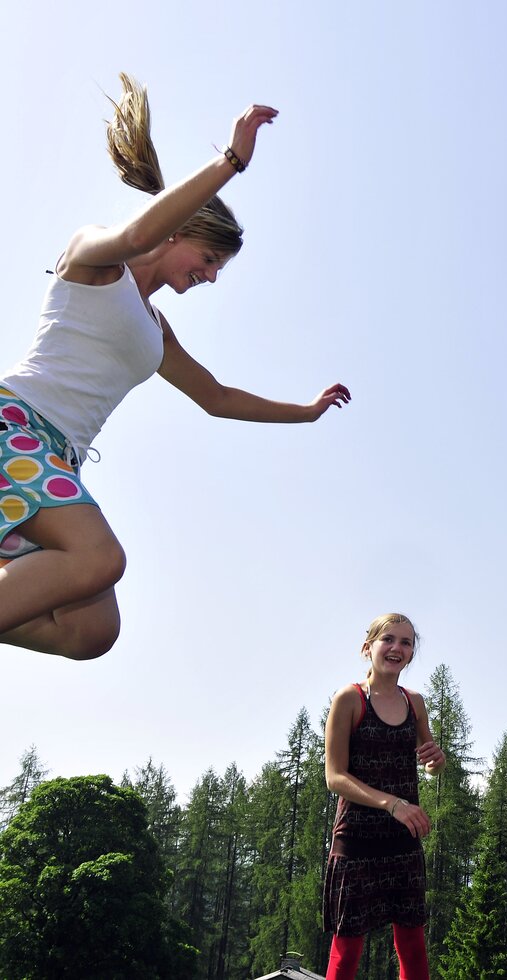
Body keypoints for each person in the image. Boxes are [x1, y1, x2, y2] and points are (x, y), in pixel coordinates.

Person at [0, 74, 350, 661]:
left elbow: (216, 397)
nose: (211, 276)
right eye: (210, 259)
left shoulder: (156, 327)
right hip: (15, 429)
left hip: (56, 460)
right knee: (99, 559)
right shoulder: (91, 259)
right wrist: (232, 161)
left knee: (91, 633)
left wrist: (306, 414)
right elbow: (139, 231)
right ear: (178, 231)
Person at [323, 613, 446, 980]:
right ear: (368, 647)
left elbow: (430, 764)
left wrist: (436, 762)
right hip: (356, 840)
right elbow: (335, 777)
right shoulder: (349, 699)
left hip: (402, 840)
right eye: (388, 639)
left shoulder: (415, 702)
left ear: (411, 654)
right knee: (346, 953)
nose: (397, 648)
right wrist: (391, 803)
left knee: (412, 947)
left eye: (406, 642)